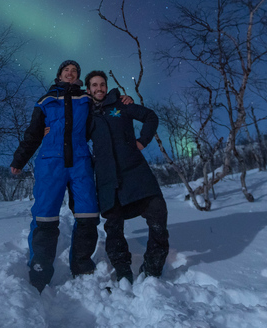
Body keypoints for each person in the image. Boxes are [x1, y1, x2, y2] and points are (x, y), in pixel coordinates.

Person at [10, 60, 99, 293]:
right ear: (59, 75)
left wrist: (124, 100)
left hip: (80, 160)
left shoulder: (86, 99)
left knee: (88, 213)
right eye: (66, 70)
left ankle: (82, 265)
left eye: (75, 71)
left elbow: (103, 113)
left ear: (78, 76)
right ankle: (40, 267)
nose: (70, 73)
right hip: (51, 162)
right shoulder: (45, 101)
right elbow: (33, 133)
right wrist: (19, 159)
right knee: (45, 216)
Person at [85, 70, 169, 283]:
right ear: (88, 89)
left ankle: (152, 269)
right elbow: (70, 134)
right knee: (113, 229)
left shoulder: (121, 104)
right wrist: (50, 130)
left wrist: (142, 141)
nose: (99, 88)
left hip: (135, 172)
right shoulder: (85, 114)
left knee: (158, 213)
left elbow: (150, 116)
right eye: (94, 85)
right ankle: (123, 272)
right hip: (107, 179)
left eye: (102, 84)